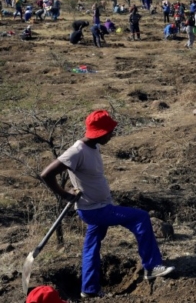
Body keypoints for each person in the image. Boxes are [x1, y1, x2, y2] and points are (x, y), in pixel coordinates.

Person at [40, 110, 175, 298]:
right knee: (140, 217)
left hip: (97, 206)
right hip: (95, 209)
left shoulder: (92, 147)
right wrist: (64, 194)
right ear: (100, 133)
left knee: (91, 246)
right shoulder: (77, 151)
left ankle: (89, 289)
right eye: (110, 132)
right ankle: (152, 266)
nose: (111, 135)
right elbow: (46, 174)